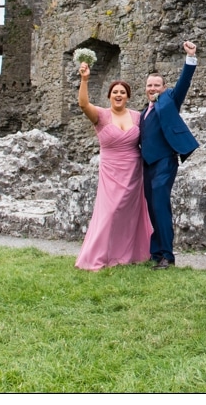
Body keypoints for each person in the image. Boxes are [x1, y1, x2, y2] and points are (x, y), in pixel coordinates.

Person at [74, 66, 152, 270]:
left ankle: (128, 255)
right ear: (109, 96)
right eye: (115, 92)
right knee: (109, 213)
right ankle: (97, 256)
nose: (119, 95)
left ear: (127, 97)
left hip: (134, 171)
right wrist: (84, 79)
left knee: (129, 214)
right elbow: (83, 104)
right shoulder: (100, 115)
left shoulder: (137, 116)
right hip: (111, 171)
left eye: (122, 92)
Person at [140, 42, 200, 270]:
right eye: (149, 85)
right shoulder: (143, 111)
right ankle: (156, 252)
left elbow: (184, 82)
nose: (153, 88)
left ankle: (168, 255)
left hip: (165, 161)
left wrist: (190, 57)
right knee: (152, 207)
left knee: (161, 205)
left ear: (164, 87)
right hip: (147, 164)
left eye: (157, 85)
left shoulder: (169, 100)